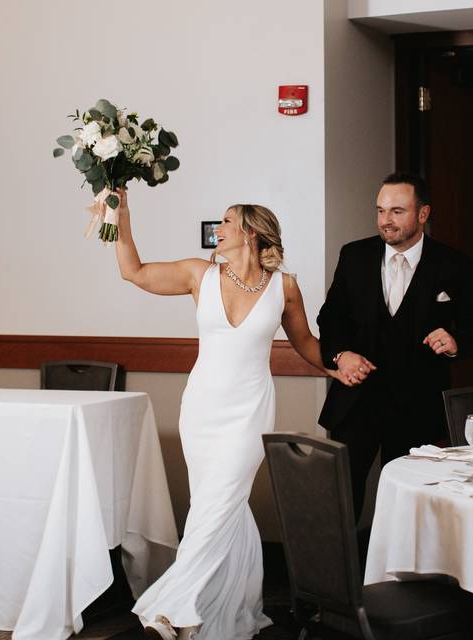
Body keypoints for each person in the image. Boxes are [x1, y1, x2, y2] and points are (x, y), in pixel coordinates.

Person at [112, 190, 342, 640]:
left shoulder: (285, 287)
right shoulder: (199, 275)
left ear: (251, 233)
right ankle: (233, 604)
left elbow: (306, 343)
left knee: (217, 505)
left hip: (249, 412)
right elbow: (133, 272)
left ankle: (172, 609)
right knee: (219, 508)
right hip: (201, 409)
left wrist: (339, 365)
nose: (217, 229)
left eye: (226, 221)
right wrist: (121, 217)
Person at [317, 172, 473, 518]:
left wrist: (456, 341)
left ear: (423, 214)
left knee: (409, 506)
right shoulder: (354, 256)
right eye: (381, 211)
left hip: (417, 405)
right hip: (356, 401)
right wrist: (341, 355)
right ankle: (339, 574)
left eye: (397, 211)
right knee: (337, 503)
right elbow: (330, 318)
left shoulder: (453, 264)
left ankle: (405, 571)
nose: (386, 221)